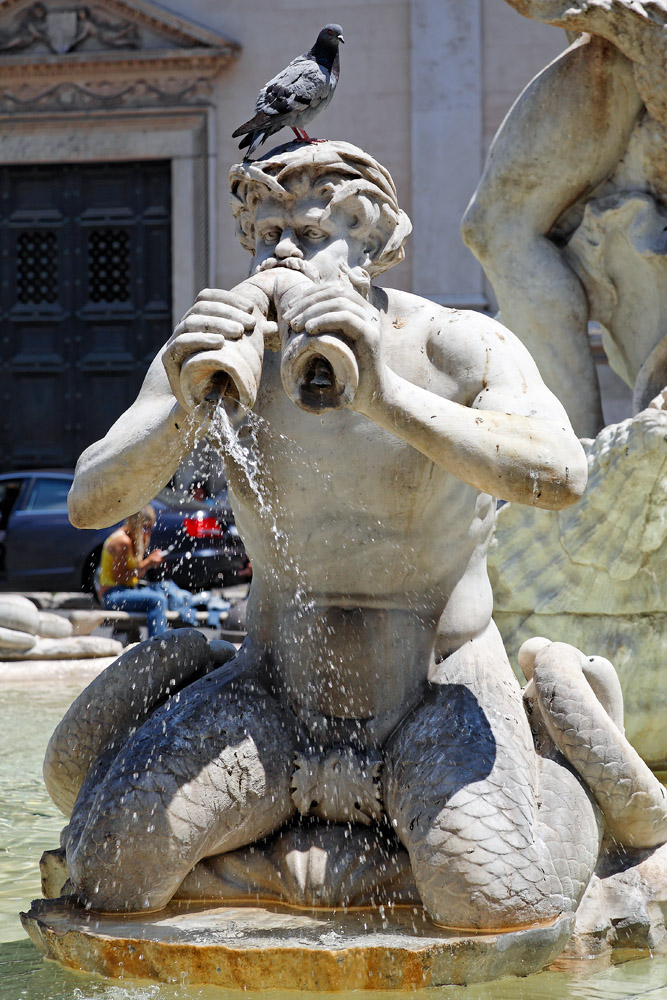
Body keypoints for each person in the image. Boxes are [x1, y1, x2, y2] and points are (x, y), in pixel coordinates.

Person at [66, 141, 597, 928]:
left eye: (308, 235)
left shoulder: (451, 344)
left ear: (373, 244)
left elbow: (558, 474)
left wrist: (382, 394)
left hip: (434, 688)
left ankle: (558, 777)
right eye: (263, 233)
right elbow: (90, 499)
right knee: (110, 875)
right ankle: (327, 849)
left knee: (494, 902)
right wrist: (185, 407)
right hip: (278, 691)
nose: (278, 253)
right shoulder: (218, 351)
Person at [462, 0, 667, 437]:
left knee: (498, 231)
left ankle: (575, 456)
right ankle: (577, 455)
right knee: (499, 232)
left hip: (624, 50)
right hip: (622, 47)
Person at [98, 506, 199, 637]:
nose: (148, 532)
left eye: (151, 528)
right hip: (112, 595)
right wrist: (147, 562)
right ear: (135, 525)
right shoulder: (122, 541)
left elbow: (134, 575)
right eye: (145, 528)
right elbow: (119, 577)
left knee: (166, 591)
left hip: (126, 591)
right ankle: (156, 643)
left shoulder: (133, 539)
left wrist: (149, 563)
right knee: (157, 600)